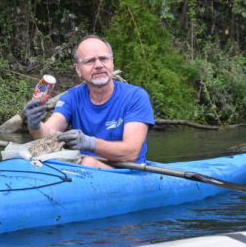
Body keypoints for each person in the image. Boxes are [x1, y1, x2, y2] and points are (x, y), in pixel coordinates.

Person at [23, 35, 155, 168]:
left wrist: (90, 143)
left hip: (129, 172)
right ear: (78, 70)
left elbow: (131, 153)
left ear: (112, 63)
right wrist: (35, 125)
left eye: (103, 59)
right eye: (90, 61)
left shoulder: (136, 96)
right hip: (85, 170)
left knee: (88, 162)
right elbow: (47, 133)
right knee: (83, 162)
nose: (98, 65)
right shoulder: (71, 97)